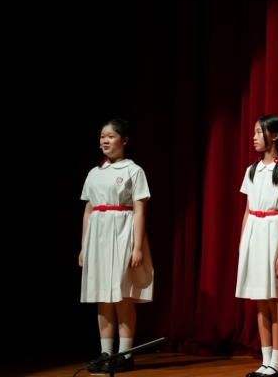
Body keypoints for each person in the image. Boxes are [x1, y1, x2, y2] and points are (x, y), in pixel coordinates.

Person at [79, 119, 154, 373]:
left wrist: (137, 247)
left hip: (122, 234)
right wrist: (84, 246)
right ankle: (106, 353)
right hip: (98, 237)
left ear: (124, 140)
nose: (105, 140)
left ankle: (125, 353)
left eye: (111, 136)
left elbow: (140, 211)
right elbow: (88, 211)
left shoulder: (134, 170)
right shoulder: (94, 172)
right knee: (102, 295)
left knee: (122, 294)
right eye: (102, 136)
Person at [236, 115, 278, 377]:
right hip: (254, 232)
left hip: (273, 233)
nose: (253, 137)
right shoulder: (251, 170)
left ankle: (276, 363)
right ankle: (265, 361)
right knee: (259, 301)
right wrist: (243, 243)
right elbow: (247, 209)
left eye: (258, 132)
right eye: (253, 132)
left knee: (274, 300)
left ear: (274, 136)